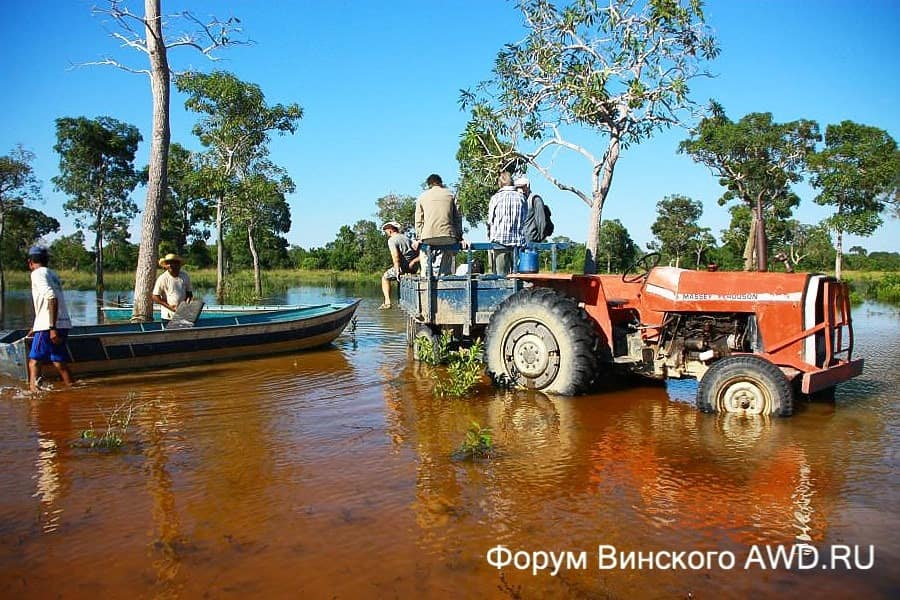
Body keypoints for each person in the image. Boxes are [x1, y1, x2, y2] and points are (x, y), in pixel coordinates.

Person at [26, 245, 74, 392]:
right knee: (58, 361)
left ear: (30, 262)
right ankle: (72, 388)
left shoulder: (37, 274)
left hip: (49, 326)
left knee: (34, 362)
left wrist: (51, 327)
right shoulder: (51, 274)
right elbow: (46, 302)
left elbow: (51, 299)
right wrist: (35, 327)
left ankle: (34, 396)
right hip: (63, 324)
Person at [415, 173, 463, 275]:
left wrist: (419, 237)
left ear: (429, 185)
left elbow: (418, 221)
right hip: (448, 236)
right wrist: (459, 236)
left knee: (423, 253)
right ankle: (443, 276)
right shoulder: (451, 195)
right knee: (447, 253)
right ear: (441, 183)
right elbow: (458, 218)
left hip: (428, 237)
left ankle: (425, 277)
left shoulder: (422, 197)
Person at [487, 171, 527, 275]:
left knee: (501, 277)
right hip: (518, 242)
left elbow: (490, 220)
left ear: (500, 183)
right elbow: (525, 219)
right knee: (519, 278)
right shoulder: (521, 198)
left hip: (500, 241)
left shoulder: (495, 198)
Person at [379, 221, 420, 309]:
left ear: (390, 230)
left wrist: (397, 270)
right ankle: (401, 300)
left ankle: (387, 302)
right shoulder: (407, 238)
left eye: (386, 231)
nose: (386, 233)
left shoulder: (392, 240)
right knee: (399, 280)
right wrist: (414, 263)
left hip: (403, 267)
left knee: (385, 277)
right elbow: (418, 253)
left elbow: (395, 257)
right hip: (414, 267)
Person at [152, 253, 193, 321]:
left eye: (173, 263)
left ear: (179, 265)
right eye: (168, 263)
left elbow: (189, 294)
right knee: (169, 331)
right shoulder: (162, 278)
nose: (170, 265)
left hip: (183, 314)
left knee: (183, 331)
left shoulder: (185, 276)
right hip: (168, 315)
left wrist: (186, 304)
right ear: (165, 266)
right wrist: (170, 307)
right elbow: (155, 297)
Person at [515, 176, 550, 243]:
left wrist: (539, 239)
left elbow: (541, 221)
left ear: (527, 186)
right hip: (518, 241)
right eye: (517, 187)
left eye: (521, 187)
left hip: (532, 241)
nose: (519, 189)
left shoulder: (535, 200)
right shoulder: (518, 200)